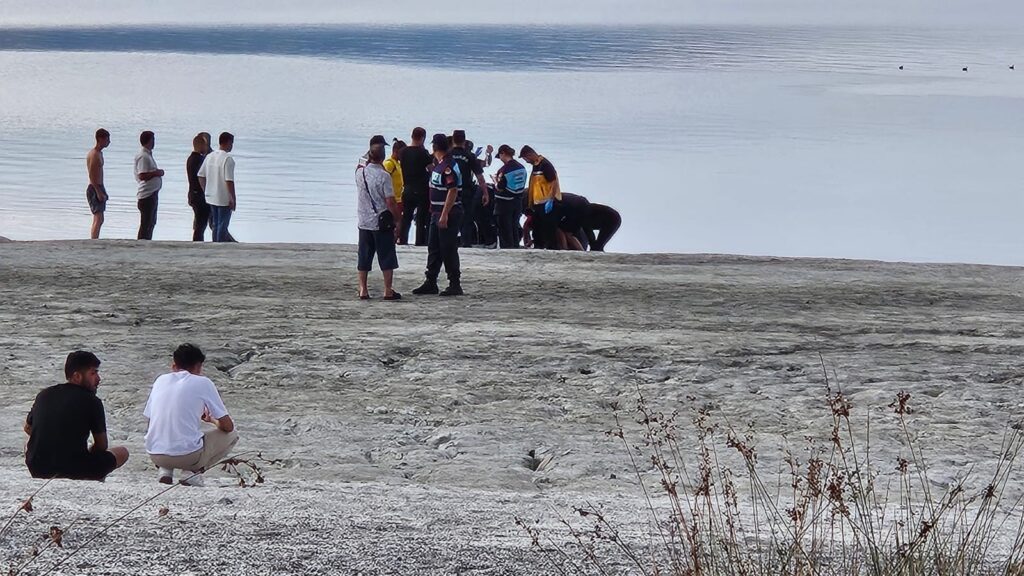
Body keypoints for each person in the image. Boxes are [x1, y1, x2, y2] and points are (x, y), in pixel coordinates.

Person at [24, 351, 130, 481]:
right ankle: (96, 477)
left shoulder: (44, 395)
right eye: (93, 373)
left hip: (37, 468)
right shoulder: (92, 401)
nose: (98, 379)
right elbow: (101, 445)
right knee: (122, 452)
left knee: (30, 444)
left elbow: (28, 428)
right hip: (75, 470)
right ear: (77, 376)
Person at [144, 344, 237, 487]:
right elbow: (228, 426)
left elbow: (150, 420)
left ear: (174, 365)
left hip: (155, 454)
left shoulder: (160, 380)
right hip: (188, 457)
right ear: (198, 366)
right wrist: (212, 420)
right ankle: (192, 473)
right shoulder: (203, 382)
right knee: (232, 435)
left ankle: (165, 470)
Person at [413, 133, 464, 297]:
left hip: (447, 214)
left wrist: (444, 214)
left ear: (434, 146)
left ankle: (454, 283)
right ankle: (431, 281)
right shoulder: (439, 164)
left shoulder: (447, 166)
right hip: (436, 212)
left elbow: (453, 189)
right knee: (433, 248)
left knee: (448, 248)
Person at [356, 146, 402, 300]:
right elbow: (390, 201)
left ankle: (363, 289)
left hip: (363, 220)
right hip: (381, 222)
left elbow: (360, 162)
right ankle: (387, 290)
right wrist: (398, 218)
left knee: (364, 256)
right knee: (387, 256)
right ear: (383, 158)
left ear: (369, 156)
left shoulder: (359, 173)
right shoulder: (384, 176)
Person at [448, 130, 489, 247]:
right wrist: (485, 193)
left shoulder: (447, 154)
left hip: (449, 190)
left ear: (452, 140)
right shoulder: (469, 156)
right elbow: (480, 177)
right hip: (466, 191)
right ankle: (466, 243)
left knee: (449, 215)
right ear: (464, 141)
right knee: (466, 218)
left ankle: (450, 241)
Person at [520, 145, 563, 249]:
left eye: (525, 158)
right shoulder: (536, 165)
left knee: (549, 229)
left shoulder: (545, 165)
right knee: (537, 229)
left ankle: (553, 249)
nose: (526, 161)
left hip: (547, 202)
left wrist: (551, 200)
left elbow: (553, 183)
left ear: (530, 154)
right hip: (537, 203)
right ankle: (538, 247)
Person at [198, 132, 236, 243]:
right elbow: (229, 180)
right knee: (222, 224)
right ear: (228, 142)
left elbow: (201, 175)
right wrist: (232, 197)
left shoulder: (210, 156)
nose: (232, 145)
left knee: (215, 223)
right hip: (223, 197)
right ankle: (220, 245)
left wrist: (205, 189)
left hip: (211, 196)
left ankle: (215, 244)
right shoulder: (228, 159)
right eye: (231, 143)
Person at [399, 128, 433, 246]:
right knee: (420, 219)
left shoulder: (402, 152)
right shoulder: (423, 153)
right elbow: (431, 168)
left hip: (407, 188)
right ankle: (419, 243)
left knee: (406, 217)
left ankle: (402, 241)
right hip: (421, 189)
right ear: (423, 138)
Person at [492, 144, 528, 248]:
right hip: (518, 201)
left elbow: (500, 187)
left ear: (503, 153)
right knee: (514, 226)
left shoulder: (504, 170)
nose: (500, 159)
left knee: (504, 228)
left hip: (504, 202)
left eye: (500, 156)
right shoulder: (522, 168)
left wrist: (494, 180)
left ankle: (507, 248)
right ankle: (515, 246)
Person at [134, 131, 164, 240]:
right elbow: (142, 175)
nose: (154, 142)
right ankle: (142, 242)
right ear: (149, 141)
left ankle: (147, 241)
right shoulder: (143, 156)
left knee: (151, 222)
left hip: (151, 193)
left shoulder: (147, 155)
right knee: (146, 223)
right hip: (147, 195)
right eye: (153, 140)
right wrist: (157, 173)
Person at [85, 129, 110, 239]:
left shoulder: (99, 153)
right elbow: (92, 174)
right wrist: (98, 191)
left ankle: (95, 238)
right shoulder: (94, 154)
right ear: (100, 139)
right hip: (94, 187)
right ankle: (94, 239)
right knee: (98, 217)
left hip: (99, 186)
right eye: (107, 139)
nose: (108, 142)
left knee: (100, 218)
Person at [186, 134, 211, 242]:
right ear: (202, 145)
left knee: (199, 222)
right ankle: (198, 242)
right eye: (206, 145)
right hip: (199, 195)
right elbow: (204, 175)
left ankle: (197, 240)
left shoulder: (191, 159)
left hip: (193, 193)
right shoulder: (199, 160)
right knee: (201, 223)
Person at [383, 139, 406, 222]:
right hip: (393, 201)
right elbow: (383, 181)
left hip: (399, 200)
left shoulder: (398, 164)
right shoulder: (389, 164)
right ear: (396, 151)